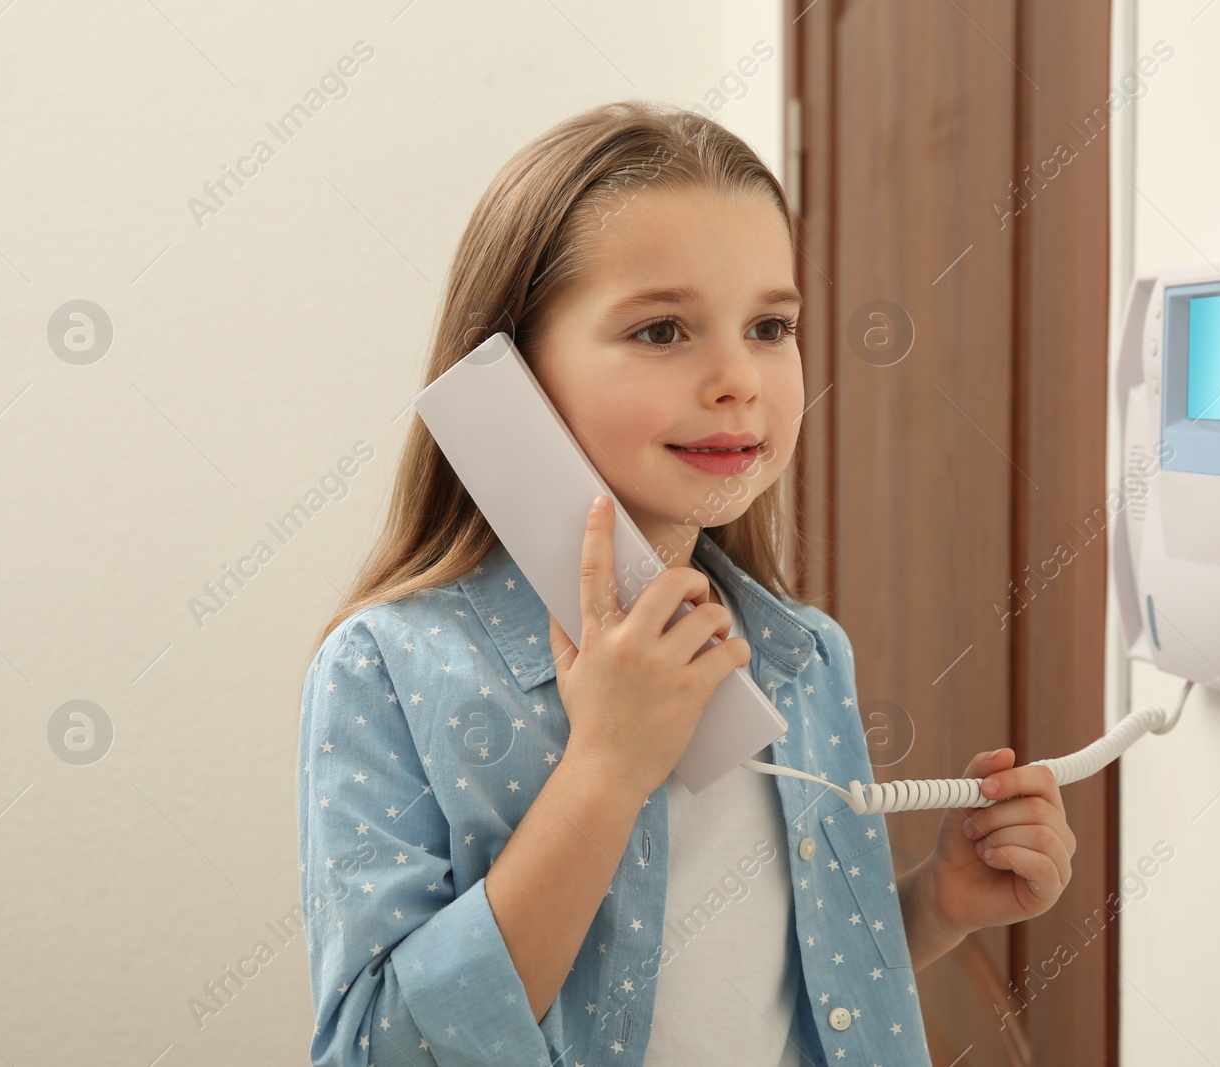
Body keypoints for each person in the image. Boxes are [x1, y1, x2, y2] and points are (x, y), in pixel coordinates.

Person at [295, 99, 1076, 1066]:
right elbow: (382, 1050)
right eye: (664, 330)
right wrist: (606, 769)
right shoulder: (386, 670)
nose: (739, 378)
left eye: (770, 324)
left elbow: (770, 979)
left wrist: (934, 904)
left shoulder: (803, 653)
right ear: (511, 371)